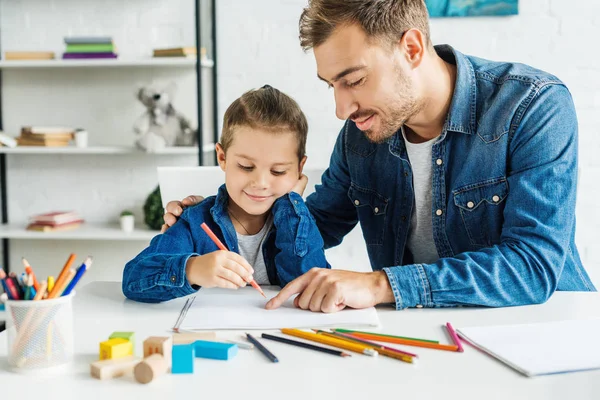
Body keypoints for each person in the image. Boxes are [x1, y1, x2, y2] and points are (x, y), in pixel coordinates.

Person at [163, 0, 596, 312]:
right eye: (330, 85)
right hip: (419, 336)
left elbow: (533, 266)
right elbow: (314, 226)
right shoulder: (360, 134)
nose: (340, 108)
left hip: (542, 331)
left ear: (411, 48)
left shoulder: (532, 106)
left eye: (353, 80)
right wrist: (223, 221)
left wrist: (380, 284)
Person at [123, 85, 330, 303]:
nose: (260, 183)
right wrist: (192, 269)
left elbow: (312, 287)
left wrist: (291, 204)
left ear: (299, 168)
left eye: (278, 171)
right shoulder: (195, 221)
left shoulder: (299, 221)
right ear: (222, 158)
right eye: (246, 167)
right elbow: (133, 280)